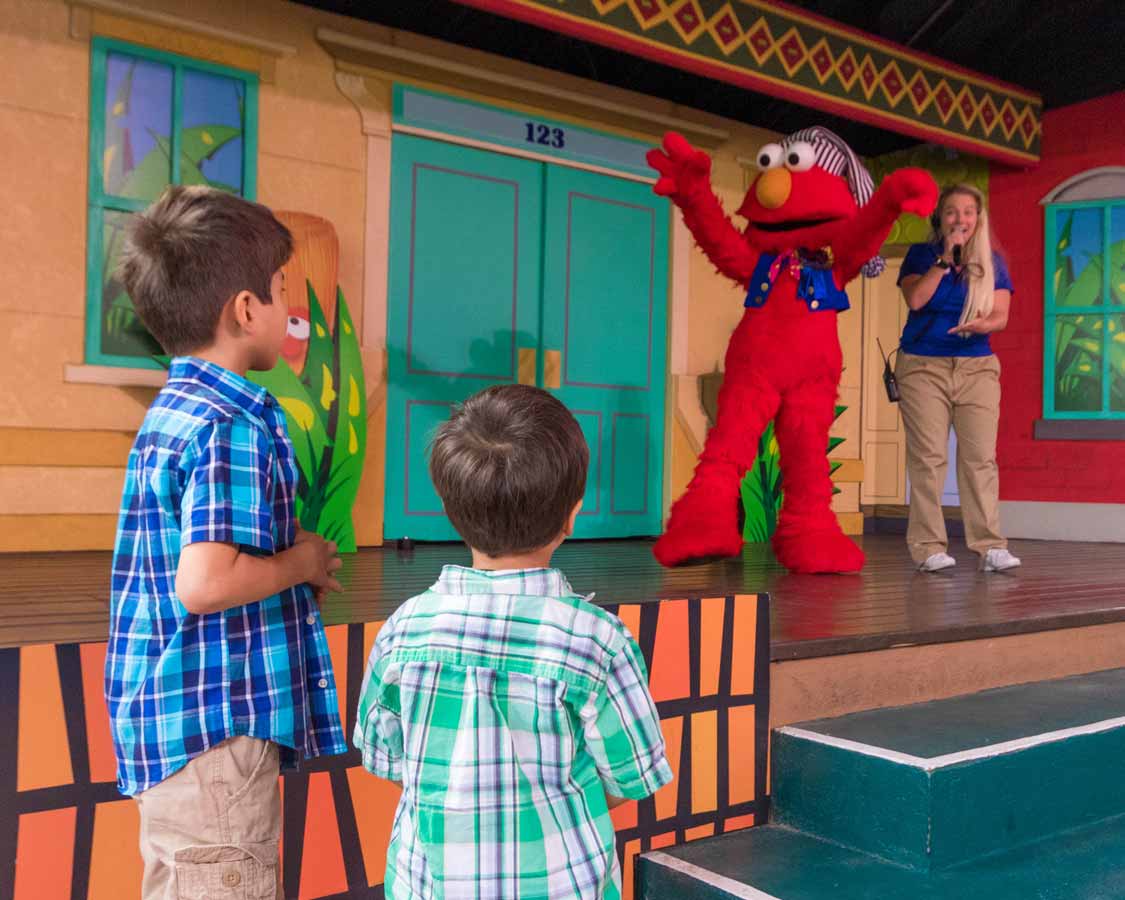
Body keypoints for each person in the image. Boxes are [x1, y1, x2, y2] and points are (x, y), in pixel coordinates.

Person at [105, 185, 348, 899]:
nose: (286, 310)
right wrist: (299, 561)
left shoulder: (176, 409)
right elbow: (206, 582)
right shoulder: (229, 423)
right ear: (245, 310)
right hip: (215, 733)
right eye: (280, 292)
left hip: (177, 722)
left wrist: (282, 546)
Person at [355, 384, 673, 900]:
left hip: (428, 886)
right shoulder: (597, 641)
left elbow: (387, 759)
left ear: (448, 507)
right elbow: (631, 776)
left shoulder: (403, 629)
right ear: (573, 514)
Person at [895, 182, 1021, 573]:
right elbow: (916, 299)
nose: (960, 219)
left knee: (980, 458)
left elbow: (1001, 315)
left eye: (968, 212)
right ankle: (928, 546)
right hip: (923, 366)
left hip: (976, 367)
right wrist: (944, 260)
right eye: (952, 211)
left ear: (978, 218)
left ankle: (989, 546)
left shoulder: (993, 261)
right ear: (941, 217)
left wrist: (982, 324)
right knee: (929, 457)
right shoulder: (921, 254)